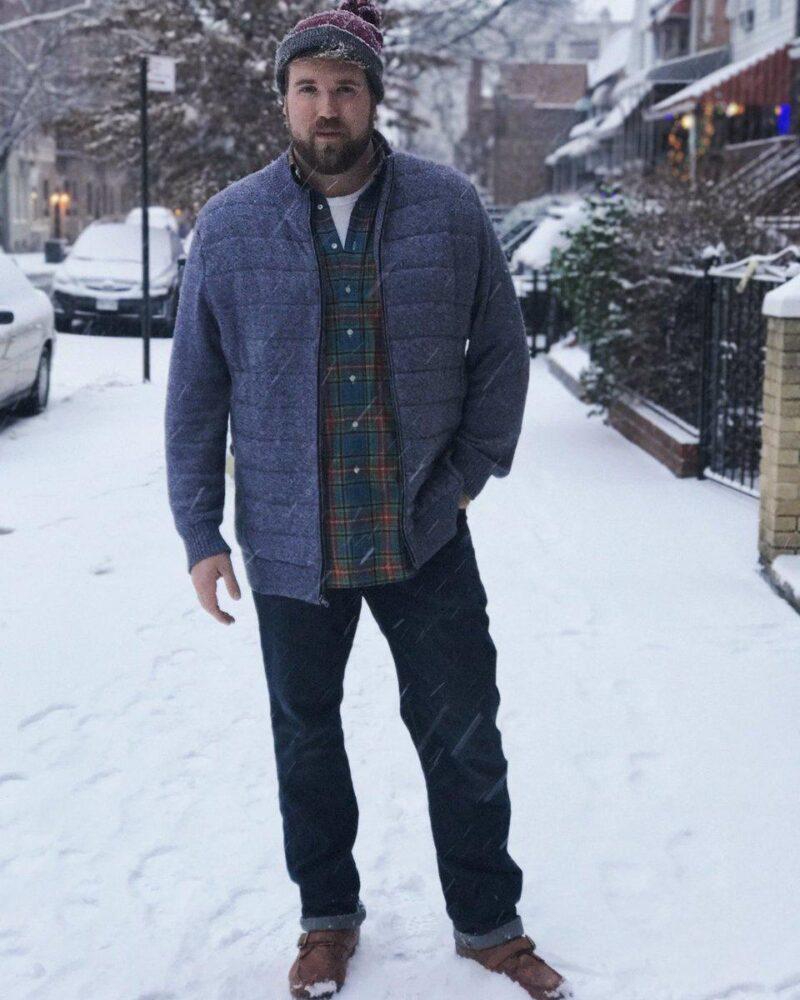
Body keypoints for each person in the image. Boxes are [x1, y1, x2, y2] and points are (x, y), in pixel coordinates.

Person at [164, 1, 570, 997]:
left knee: (463, 733)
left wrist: (468, 475)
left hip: (421, 528)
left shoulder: (449, 208)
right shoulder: (230, 227)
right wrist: (200, 532)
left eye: (344, 87)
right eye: (307, 88)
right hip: (290, 540)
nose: (327, 106)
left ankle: (489, 922)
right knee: (306, 739)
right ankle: (326, 920)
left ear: (373, 98)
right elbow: (196, 389)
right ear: (284, 102)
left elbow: (501, 351)